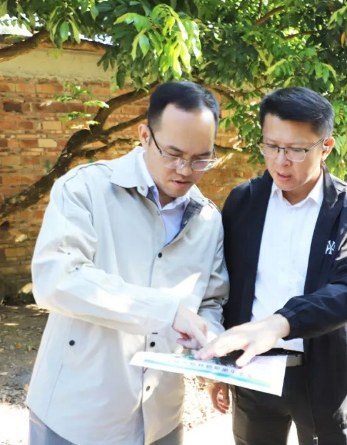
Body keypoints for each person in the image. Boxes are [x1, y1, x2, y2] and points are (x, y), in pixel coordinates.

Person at [26, 81, 229, 445]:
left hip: (161, 418)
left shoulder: (208, 219)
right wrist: (167, 311)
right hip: (77, 416)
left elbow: (210, 301)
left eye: (201, 159)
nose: (185, 170)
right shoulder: (84, 188)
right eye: (173, 154)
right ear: (144, 136)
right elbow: (56, 279)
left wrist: (210, 349)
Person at [196, 87, 347, 445]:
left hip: (324, 373)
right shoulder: (244, 201)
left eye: (296, 150)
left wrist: (281, 323)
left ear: (326, 147)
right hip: (252, 370)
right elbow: (226, 284)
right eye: (272, 146)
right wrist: (220, 365)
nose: (281, 161)